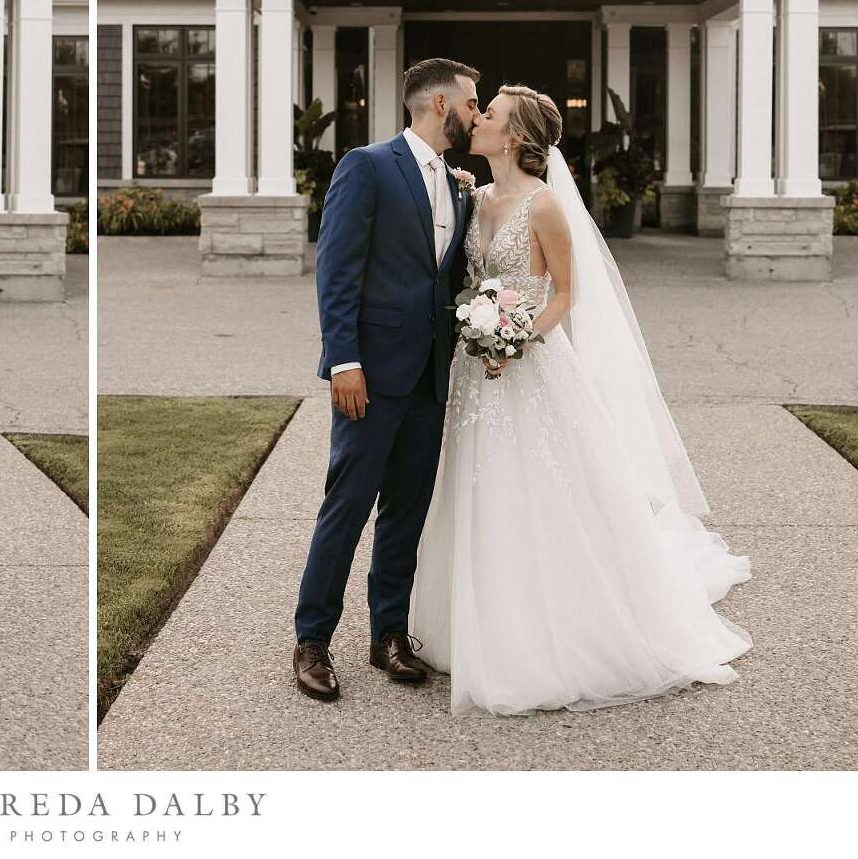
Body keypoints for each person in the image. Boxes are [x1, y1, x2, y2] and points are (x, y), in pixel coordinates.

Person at [410, 84, 750, 715]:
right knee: (475, 488)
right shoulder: (472, 196)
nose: (477, 119)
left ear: (512, 137)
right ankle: (473, 621)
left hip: (528, 366)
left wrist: (514, 339)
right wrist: (479, 335)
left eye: (489, 115)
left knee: (538, 490)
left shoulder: (545, 208)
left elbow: (566, 295)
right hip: (472, 372)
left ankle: (553, 631)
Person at [293, 58, 481, 701]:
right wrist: (343, 361)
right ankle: (312, 641)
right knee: (346, 508)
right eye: (471, 103)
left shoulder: (459, 187)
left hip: (431, 376)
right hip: (369, 375)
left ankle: (389, 636)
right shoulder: (367, 166)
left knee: (407, 511)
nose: (476, 114)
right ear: (437, 103)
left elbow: (444, 280)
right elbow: (336, 268)